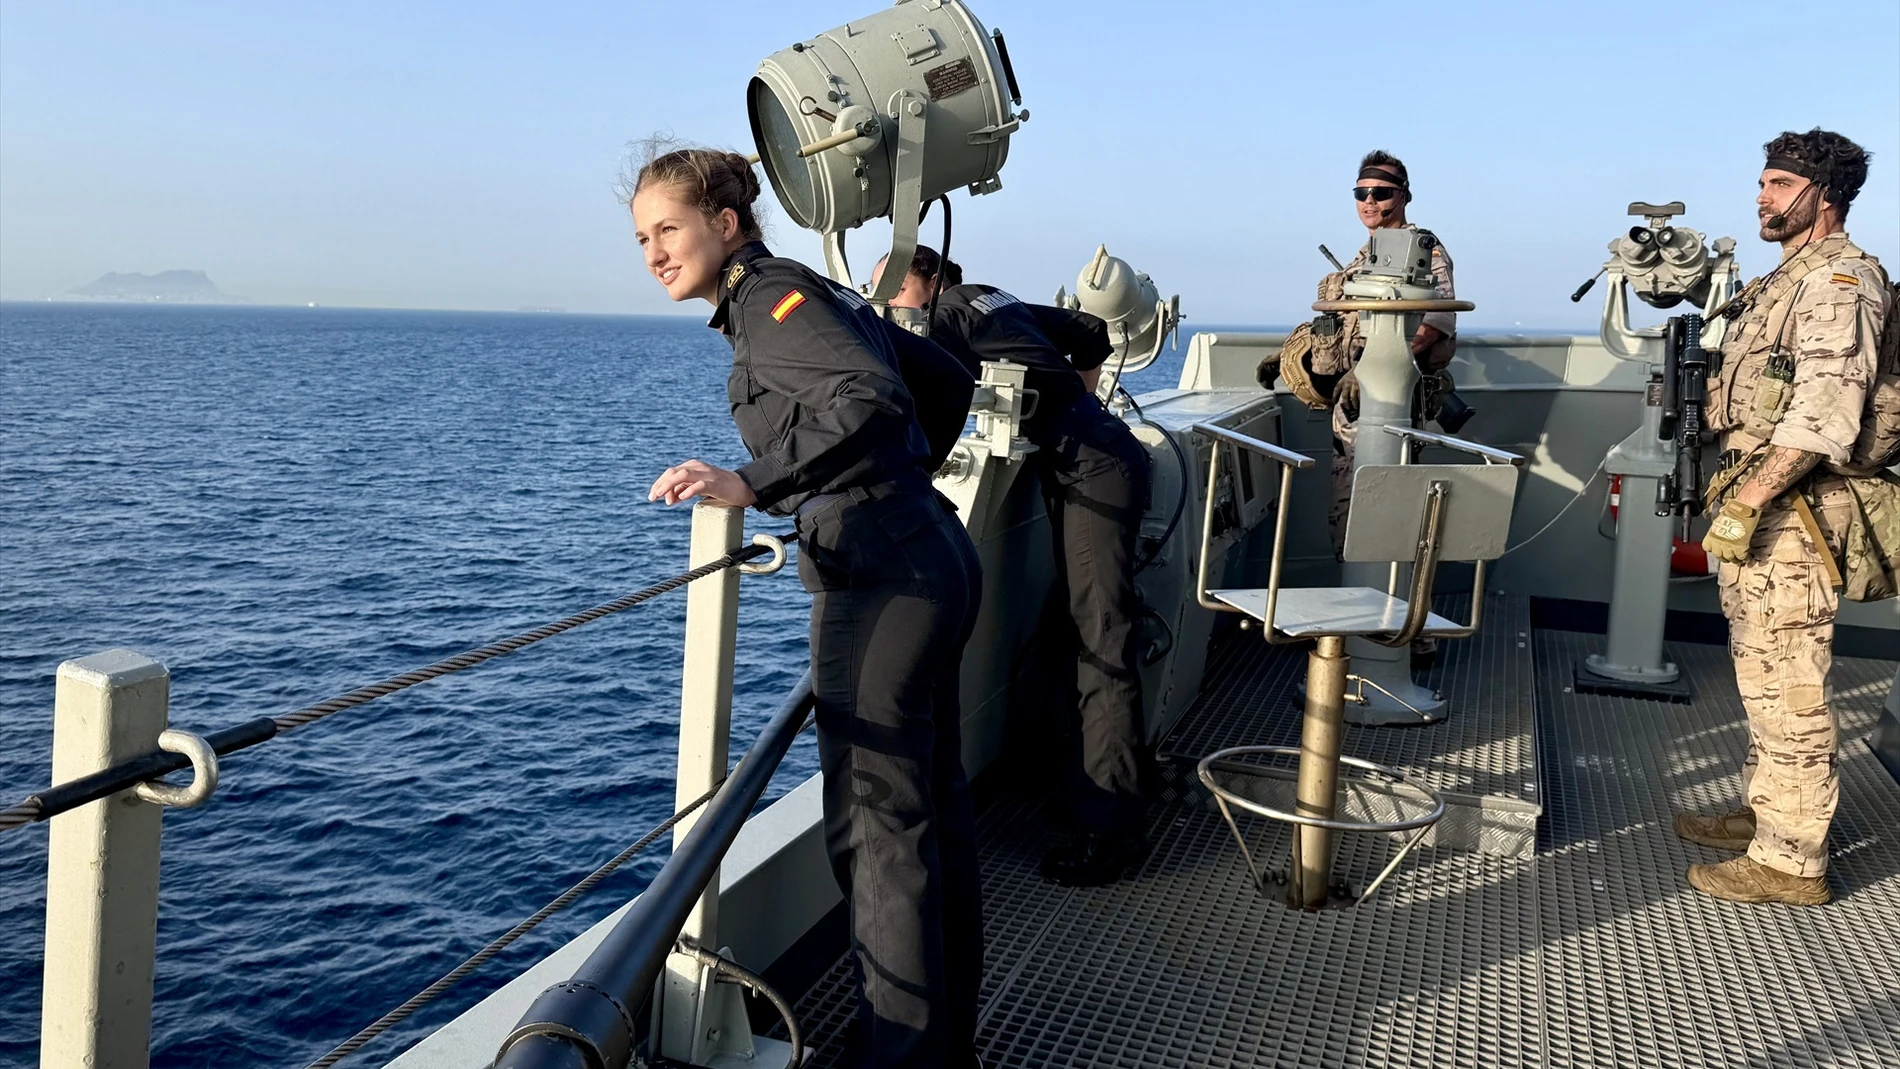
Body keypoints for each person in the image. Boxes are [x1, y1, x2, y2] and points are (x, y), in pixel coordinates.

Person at [631, 145, 983, 1065]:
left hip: (882, 574)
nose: (654, 253)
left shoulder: (770, 300)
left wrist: (753, 479)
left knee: (878, 834)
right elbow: (942, 383)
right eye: (642, 239)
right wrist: (902, 474)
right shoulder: (800, 294)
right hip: (926, 550)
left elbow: (871, 395)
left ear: (725, 224)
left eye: (668, 229)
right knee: (929, 817)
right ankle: (942, 1051)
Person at [877, 246, 1154, 887]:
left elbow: (920, 377)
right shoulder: (988, 297)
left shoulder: (947, 313)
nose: (890, 305)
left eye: (894, 290)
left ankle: (1113, 834)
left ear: (929, 282)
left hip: (1092, 471)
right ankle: (1095, 792)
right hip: (1103, 455)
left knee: (1102, 643)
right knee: (1083, 630)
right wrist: (1076, 406)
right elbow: (1090, 330)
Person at [1679, 128, 1891, 906]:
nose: (1761, 196)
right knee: (1760, 671)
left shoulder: (1838, 280)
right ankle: (1767, 813)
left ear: (1822, 195)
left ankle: (1792, 860)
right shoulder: (1786, 279)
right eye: (1763, 181)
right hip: (1767, 501)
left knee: (1791, 682)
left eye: (1778, 184)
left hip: (1796, 510)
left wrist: (1748, 499)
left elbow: (1824, 415)